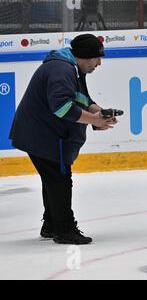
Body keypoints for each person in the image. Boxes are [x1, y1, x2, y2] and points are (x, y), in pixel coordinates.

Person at [9, 34, 117, 245]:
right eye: (97, 58)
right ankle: (64, 229)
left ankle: (51, 224)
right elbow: (62, 107)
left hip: (41, 134)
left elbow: (79, 98)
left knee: (53, 179)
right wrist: (93, 119)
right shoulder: (62, 70)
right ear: (86, 57)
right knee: (59, 180)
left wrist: (98, 112)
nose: (99, 63)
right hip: (43, 136)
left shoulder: (70, 67)